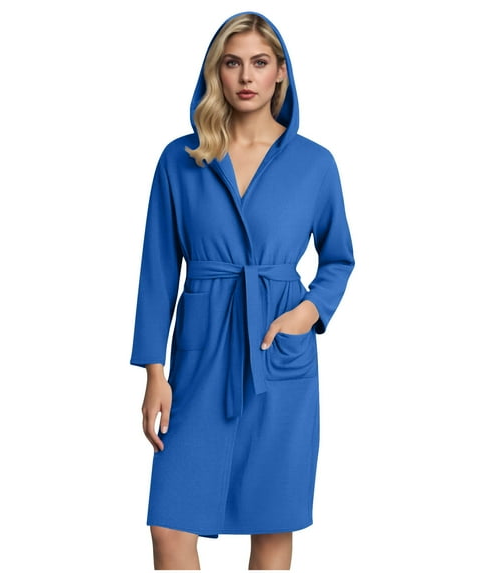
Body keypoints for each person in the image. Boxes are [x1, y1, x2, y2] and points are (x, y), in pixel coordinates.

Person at [130, 11, 355, 570]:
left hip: (277, 353)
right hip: (200, 357)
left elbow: (339, 258)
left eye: (259, 62)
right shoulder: (181, 159)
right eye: (233, 63)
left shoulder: (315, 163)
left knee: (271, 523)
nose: (246, 76)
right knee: (169, 528)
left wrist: (308, 312)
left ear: (281, 73)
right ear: (217, 73)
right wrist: (154, 372)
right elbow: (158, 270)